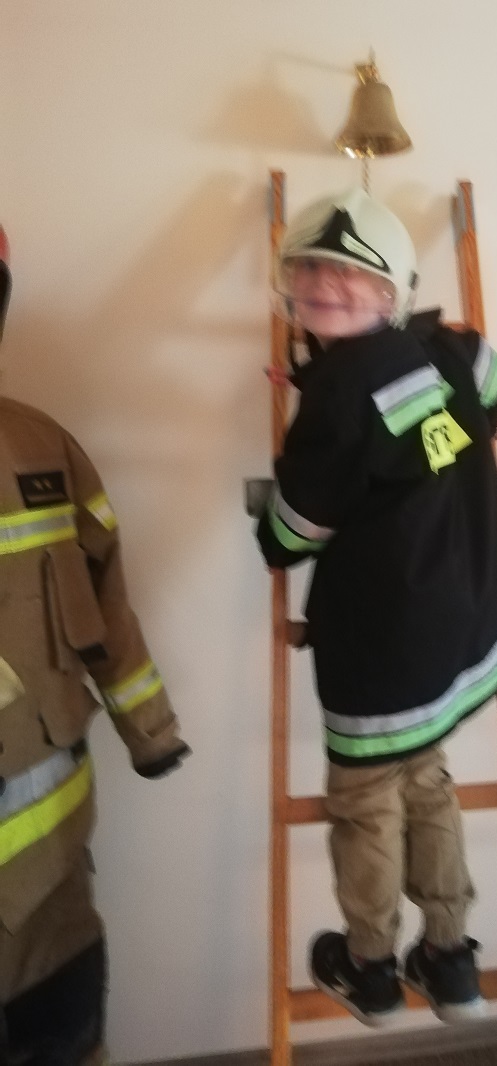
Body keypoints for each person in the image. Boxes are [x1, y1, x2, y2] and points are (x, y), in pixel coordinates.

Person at [256, 187, 497, 1028]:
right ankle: (451, 960)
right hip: (463, 620)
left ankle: (372, 968)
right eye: (311, 269)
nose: (324, 284)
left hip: (379, 641)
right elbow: (494, 384)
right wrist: (460, 435)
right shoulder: (449, 349)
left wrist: (306, 432)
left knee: (366, 804)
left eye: (350, 274)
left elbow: (290, 536)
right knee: (427, 780)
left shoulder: (336, 399)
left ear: (391, 290)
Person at [0, 226, 190, 1064]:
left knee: (66, 1040)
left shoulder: (44, 448)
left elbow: (106, 599)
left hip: (52, 883)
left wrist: (151, 731)